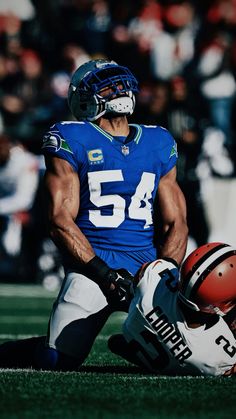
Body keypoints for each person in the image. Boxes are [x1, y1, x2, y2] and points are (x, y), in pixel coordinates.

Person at [0, 58, 188, 371]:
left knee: (186, 355)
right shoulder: (73, 138)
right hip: (93, 267)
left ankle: (141, 345)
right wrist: (105, 274)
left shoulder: (158, 141)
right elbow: (59, 221)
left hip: (146, 267)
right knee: (56, 359)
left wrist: (162, 273)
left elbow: (176, 222)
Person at [108, 242, 236, 376]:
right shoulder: (220, 358)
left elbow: (149, 272)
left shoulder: (152, 279)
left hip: (142, 337)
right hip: (170, 356)